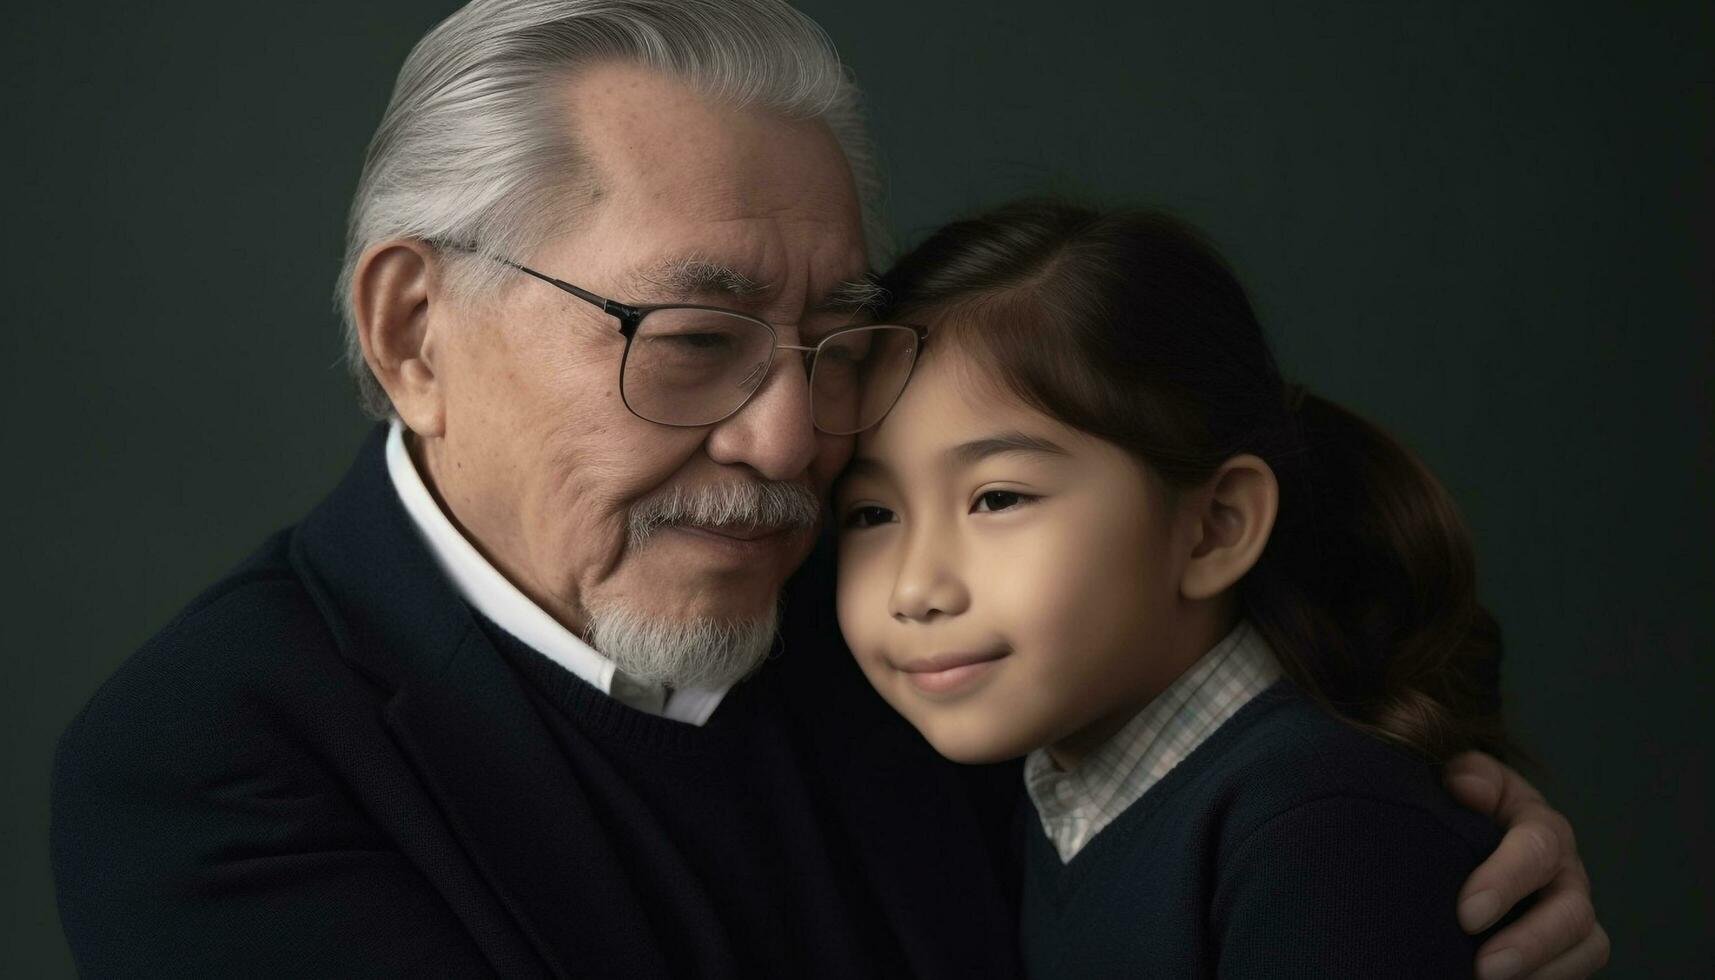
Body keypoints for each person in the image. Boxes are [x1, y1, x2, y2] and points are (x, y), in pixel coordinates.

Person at [50, 1, 1606, 977]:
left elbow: (1189, 758)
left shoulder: (892, 607)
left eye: (834, 340)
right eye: (696, 336)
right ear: (414, 333)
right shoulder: (206, 765)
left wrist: (1413, 831)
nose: (793, 445)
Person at [834, 199, 1599, 977]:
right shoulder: (1060, 786)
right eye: (869, 513)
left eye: (997, 498)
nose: (916, 586)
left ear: (1215, 528)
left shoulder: (1320, 836)